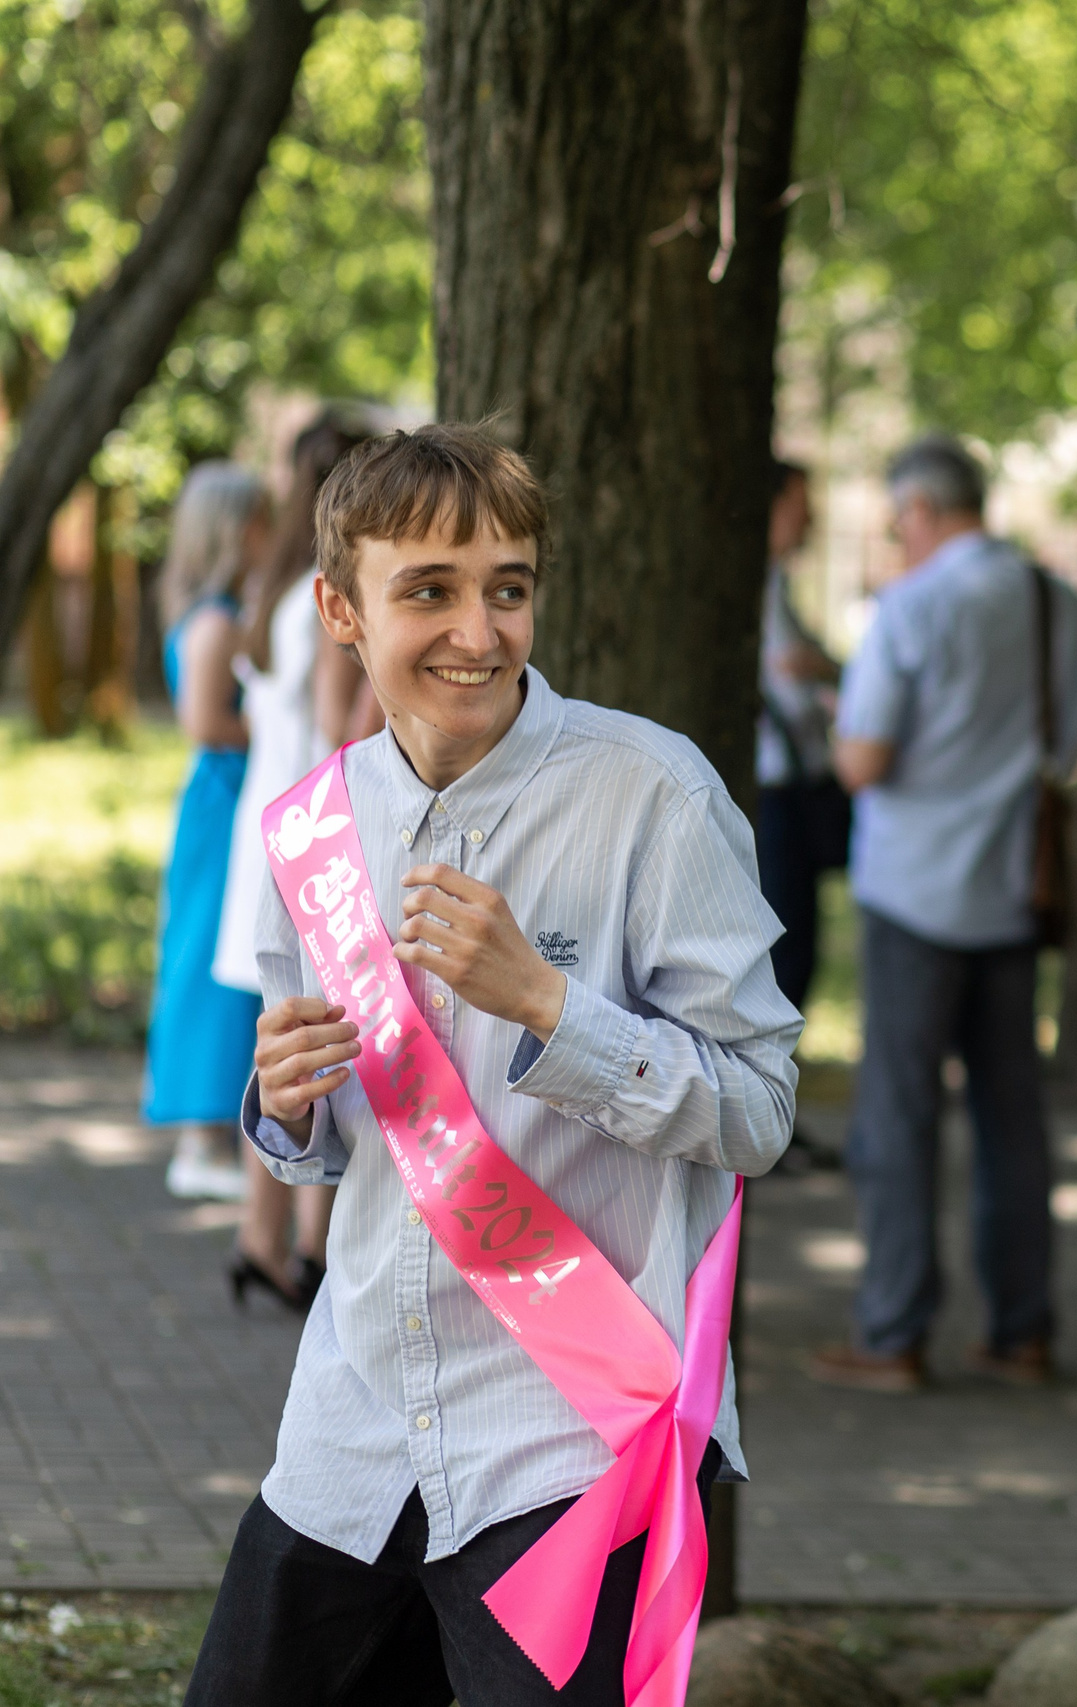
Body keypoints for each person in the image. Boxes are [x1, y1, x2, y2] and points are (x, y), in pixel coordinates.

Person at [184, 423, 798, 1707]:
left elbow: (758, 1113)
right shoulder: (313, 825)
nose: (480, 629)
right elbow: (334, 1140)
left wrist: (550, 1007)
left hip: (564, 1441)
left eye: (506, 587)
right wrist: (285, 1105)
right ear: (340, 609)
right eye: (430, 591)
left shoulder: (653, 797)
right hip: (354, 1420)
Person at [806, 434, 1077, 1394]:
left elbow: (862, 762)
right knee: (1013, 1115)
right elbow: (1070, 737)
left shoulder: (915, 605)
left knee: (899, 1113)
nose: (898, 539)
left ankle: (894, 1330)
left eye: (897, 522)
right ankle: (1023, 1325)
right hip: (1014, 888)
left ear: (923, 511)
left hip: (914, 890)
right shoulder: (1063, 607)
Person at [211, 411, 369, 1309]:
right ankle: (312, 1244)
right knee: (321, 1036)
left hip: (260, 830)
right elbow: (341, 725)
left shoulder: (271, 589)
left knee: (275, 1039)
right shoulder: (334, 596)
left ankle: (257, 1236)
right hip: (317, 834)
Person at [145, 464, 269, 1205]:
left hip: (222, 797)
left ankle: (211, 1130)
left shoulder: (212, 611)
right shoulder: (216, 620)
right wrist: (282, 725)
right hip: (224, 798)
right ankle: (199, 1136)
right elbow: (205, 722)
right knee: (208, 958)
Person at [754, 458, 848, 1017]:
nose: (810, 520)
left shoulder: (776, 586)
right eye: (800, 506)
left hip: (787, 790)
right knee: (788, 950)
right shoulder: (765, 592)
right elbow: (793, 675)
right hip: (777, 792)